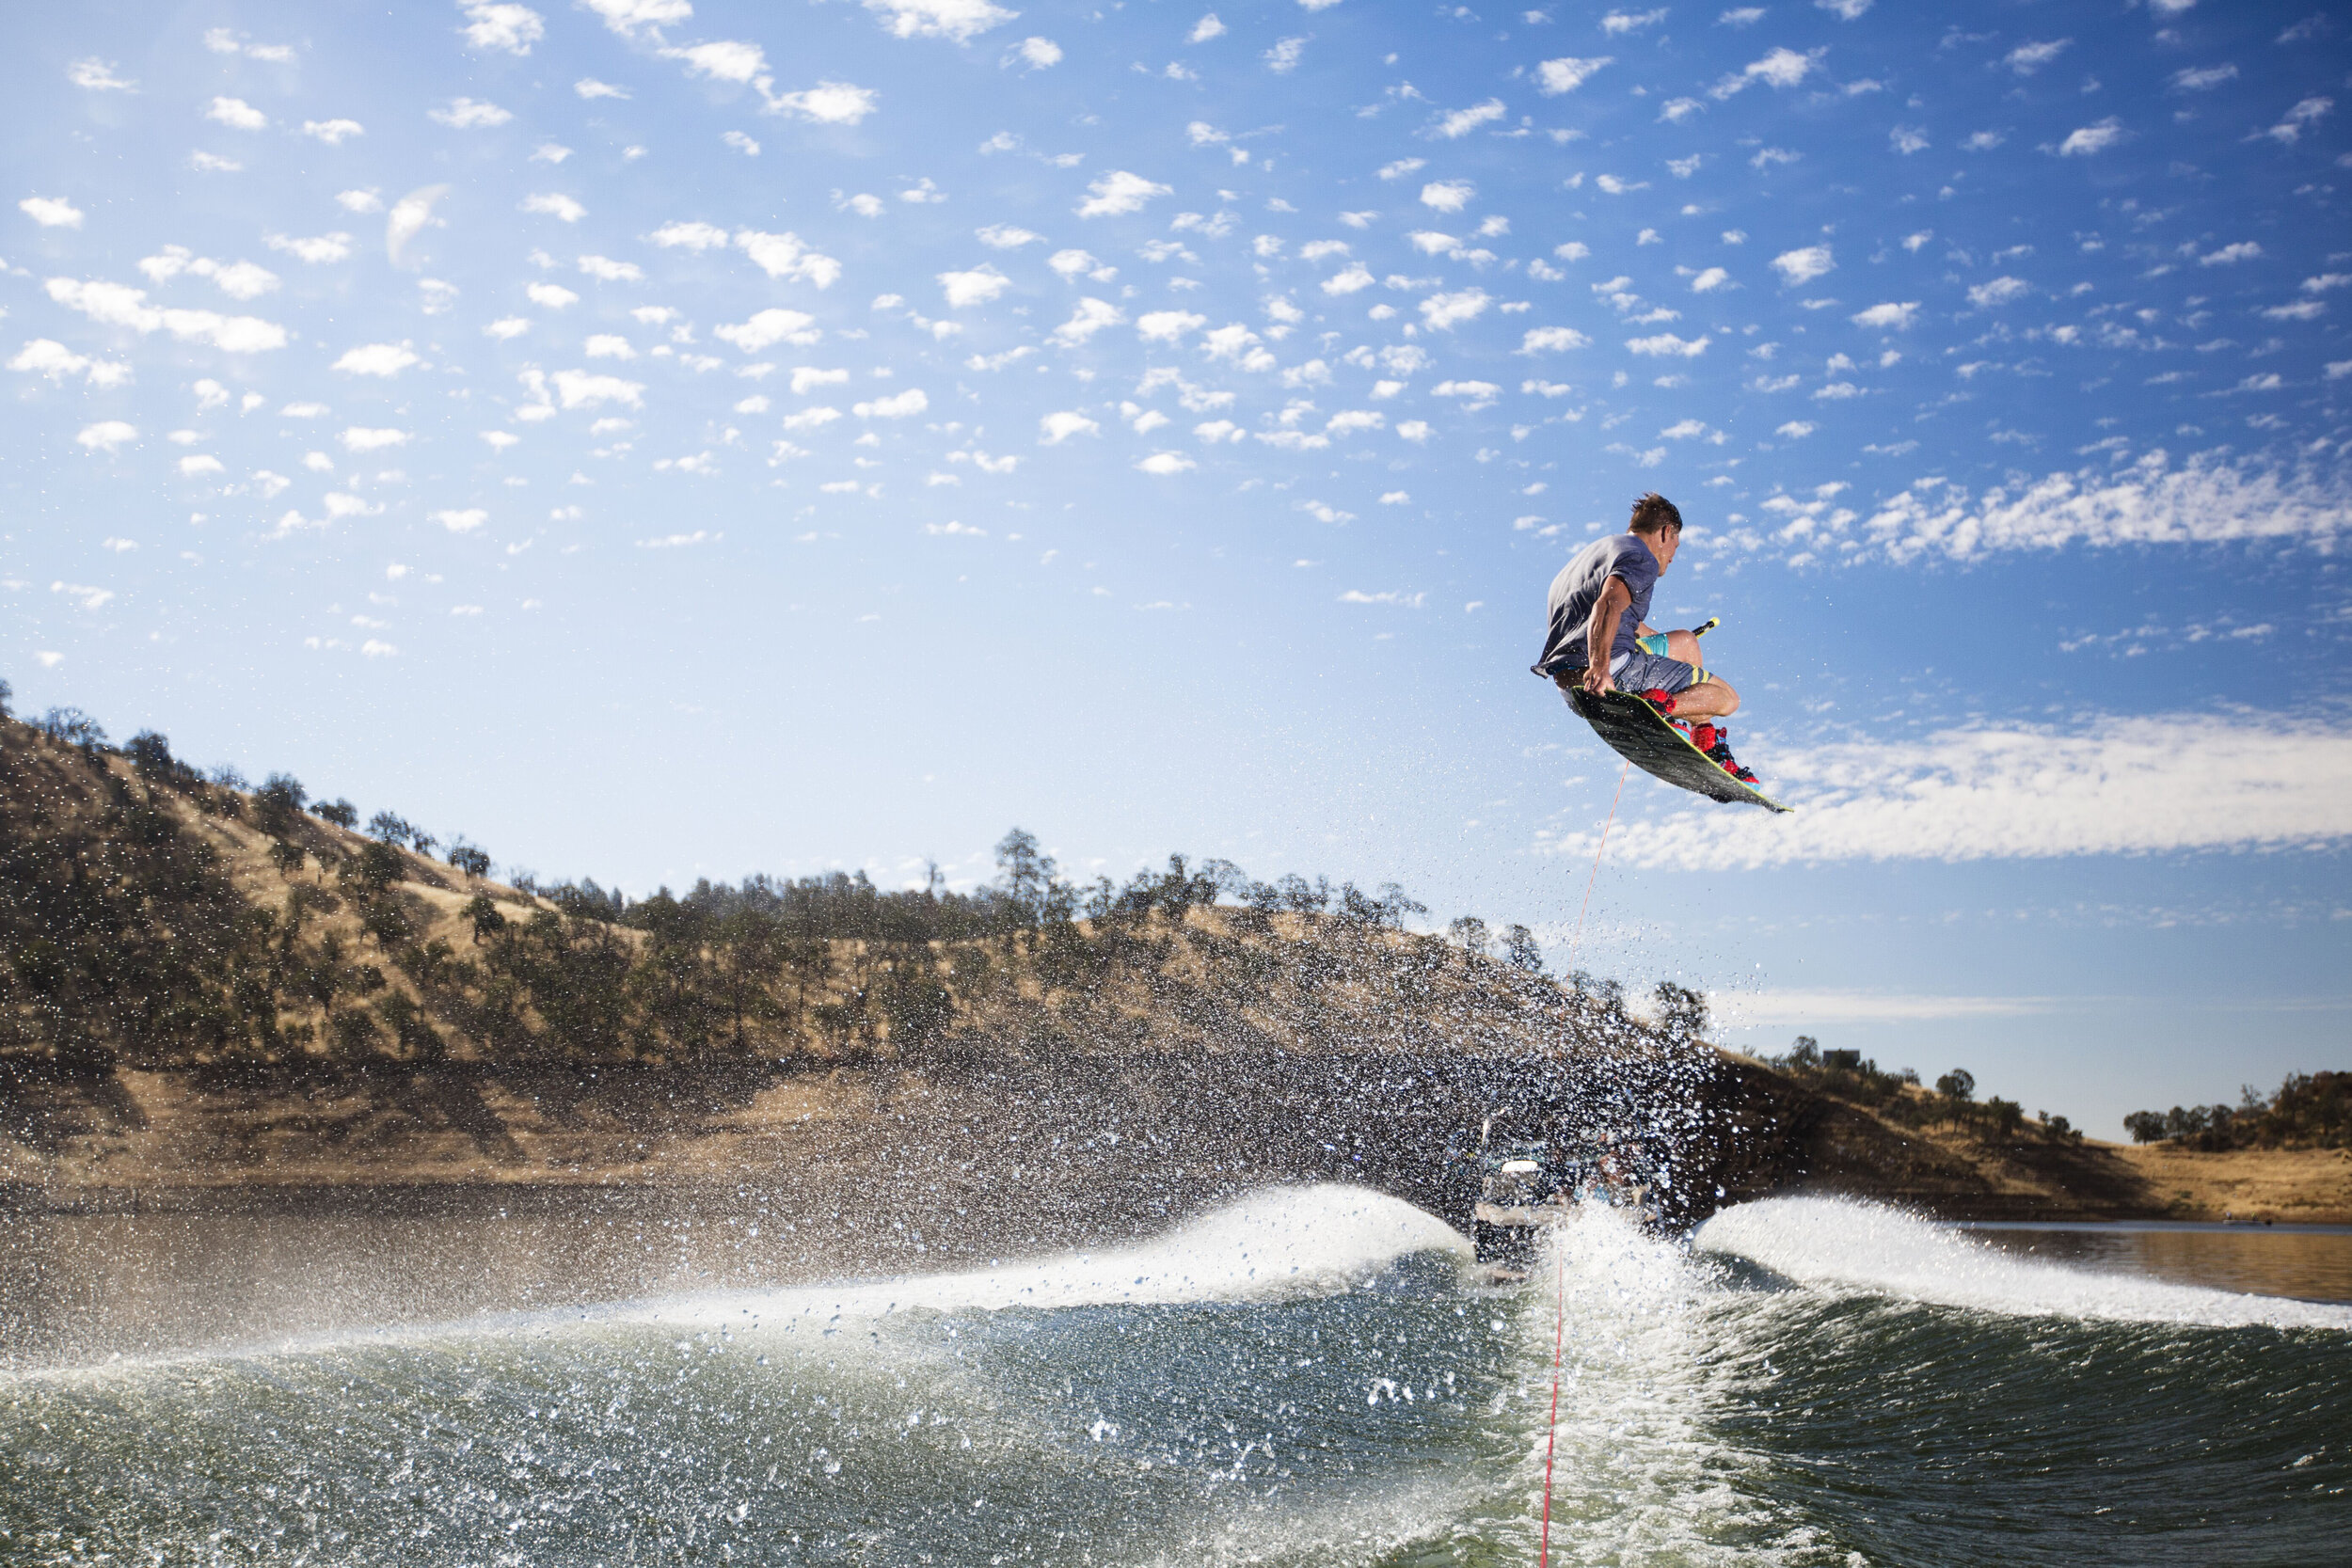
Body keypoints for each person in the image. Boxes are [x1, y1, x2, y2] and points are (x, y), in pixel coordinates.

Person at [1532, 492, 1756, 782]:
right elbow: (1608, 605)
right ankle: (1663, 708)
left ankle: (1704, 739)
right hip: (1609, 673)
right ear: (1665, 532)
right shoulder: (1641, 556)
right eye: (1676, 544)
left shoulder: (1593, 556)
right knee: (1726, 698)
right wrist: (1599, 667)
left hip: (1570, 686)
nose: (1673, 557)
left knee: (1687, 642)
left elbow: (1618, 617)